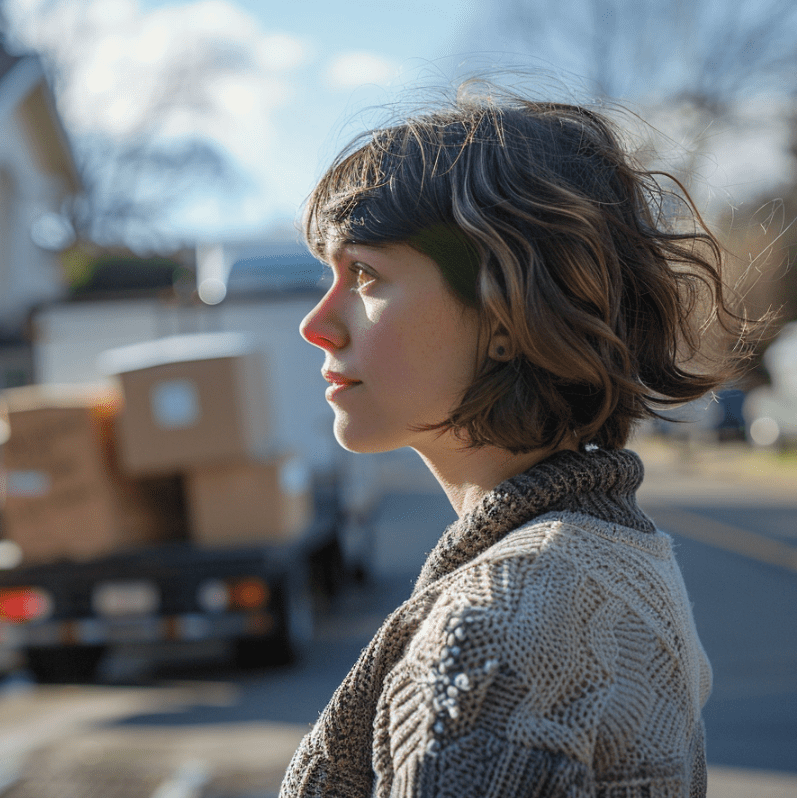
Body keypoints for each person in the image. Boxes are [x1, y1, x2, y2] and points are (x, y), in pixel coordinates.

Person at [280, 88, 749, 797]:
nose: (316, 324)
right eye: (329, 275)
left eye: (366, 273)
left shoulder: (492, 632)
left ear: (506, 310)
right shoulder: (614, 549)